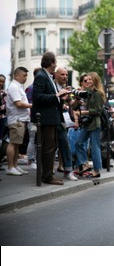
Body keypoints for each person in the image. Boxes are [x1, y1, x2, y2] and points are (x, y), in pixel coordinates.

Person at [31, 51, 69, 185]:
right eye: (55, 62)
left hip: (50, 118)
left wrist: (60, 97)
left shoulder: (47, 76)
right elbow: (38, 97)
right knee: (48, 147)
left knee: (50, 147)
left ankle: (47, 175)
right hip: (46, 118)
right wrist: (56, 95)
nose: (56, 64)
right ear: (51, 63)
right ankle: (47, 176)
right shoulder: (41, 76)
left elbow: (49, 97)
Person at [73, 72, 105, 178]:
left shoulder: (98, 93)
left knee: (94, 147)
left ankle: (97, 170)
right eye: (86, 80)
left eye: (90, 79)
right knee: (78, 143)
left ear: (95, 80)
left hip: (94, 123)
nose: (88, 81)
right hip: (87, 123)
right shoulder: (89, 92)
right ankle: (85, 164)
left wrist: (83, 112)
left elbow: (98, 111)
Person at [5, 67, 32, 176]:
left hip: (20, 119)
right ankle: (11, 167)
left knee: (16, 144)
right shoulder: (14, 87)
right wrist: (32, 105)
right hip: (17, 119)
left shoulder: (18, 86)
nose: (26, 78)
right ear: (16, 76)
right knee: (13, 143)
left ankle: (15, 166)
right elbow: (19, 104)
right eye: (24, 75)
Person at [54, 67, 78, 181]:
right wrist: (59, 96)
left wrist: (76, 99)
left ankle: (68, 170)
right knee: (50, 146)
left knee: (65, 144)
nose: (65, 77)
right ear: (56, 75)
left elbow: (72, 104)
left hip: (61, 121)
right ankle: (47, 171)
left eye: (66, 75)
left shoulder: (66, 88)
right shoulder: (52, 86)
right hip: (50, 120)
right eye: (62, 74)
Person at [24, 68, 41, 170]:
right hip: (32, 118)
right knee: (32, 139)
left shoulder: (35, 87)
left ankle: (34, 159)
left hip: (36, 118)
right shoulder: (31, 88)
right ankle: (30, 160)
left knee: (36, 140)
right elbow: (28, 104)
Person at [0, 74, 7, 171]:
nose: (1, 83)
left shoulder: (4, 92)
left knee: (1, 140)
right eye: (0, 81)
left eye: (3, 81)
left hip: (3, 118)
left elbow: (7, 106)